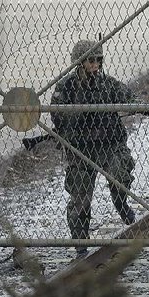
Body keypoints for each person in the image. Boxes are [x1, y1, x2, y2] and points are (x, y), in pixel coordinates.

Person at [51, 39, 141, 258]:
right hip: (81, 149)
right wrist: (79, 111)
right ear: (79, 63)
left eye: (98, 60)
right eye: (91, 61)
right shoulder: (66, 87)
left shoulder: (107, 84)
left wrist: (139, 105)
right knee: (80, 197)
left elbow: (128, 95)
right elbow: (56, 115)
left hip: (110, 145)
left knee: (120, 175)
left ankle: (122, 204)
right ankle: (81, 245)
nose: (96, 65)